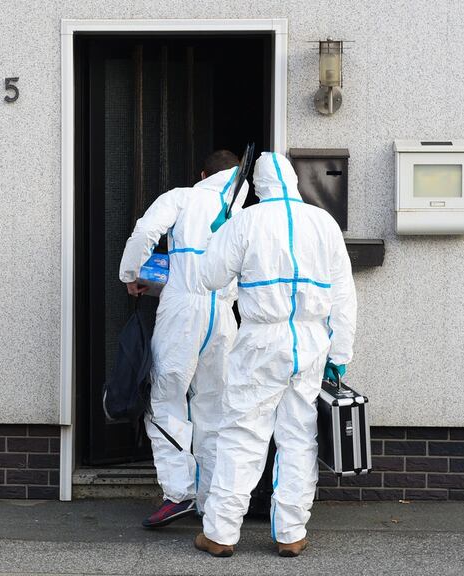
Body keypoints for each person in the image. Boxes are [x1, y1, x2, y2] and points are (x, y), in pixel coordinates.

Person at [194, 152, 356, 558]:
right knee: (299, 438)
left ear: (260, 186)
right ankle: (291, 534)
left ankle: (221, 533)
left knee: (242, 434)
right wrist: (341, 350)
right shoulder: (324, 223)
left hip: (261, 342)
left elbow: (209, 277)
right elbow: (344, 295)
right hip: (311, 342)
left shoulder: (245, 221)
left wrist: (219, 233)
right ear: (293, 181)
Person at [119, 150, 249, 528]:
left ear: (203, 172)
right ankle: (211, 500)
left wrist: (130, 273)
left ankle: (179, 494)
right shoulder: (241, 212)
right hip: (224, 315)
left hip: (183, 313)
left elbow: (145, 233)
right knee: (215, 407)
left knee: (165, 399)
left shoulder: (182, 197)